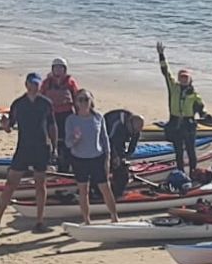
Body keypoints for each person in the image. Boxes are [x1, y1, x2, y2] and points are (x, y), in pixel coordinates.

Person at [0, 72, 58, 233]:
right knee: (10, 185)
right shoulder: (18, 104)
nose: (34, 87)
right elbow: (9, 127)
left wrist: (54, 147)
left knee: (40, 186)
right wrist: (5, 125)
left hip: (41, 148)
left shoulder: (46, 103)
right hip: (23, 149)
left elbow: (52, 126)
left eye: (36, 84)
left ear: (40, 85)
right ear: (26, 85)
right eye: (31, 84)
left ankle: (39, 221)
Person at [60, 91, 120, 225]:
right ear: (76, 103)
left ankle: (114, 217)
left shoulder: (98, 117)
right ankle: (87, 221)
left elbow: (105, 139)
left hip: (97, 158)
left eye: (86, 99)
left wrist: (108, 158)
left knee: (105, 188)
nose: (83, 102)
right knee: (83, 190)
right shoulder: (71, 119)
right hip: (79, 159)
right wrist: (75, 139)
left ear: (91, 101)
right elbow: (68, 144)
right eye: (80, 100)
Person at [156, 42, 206, 172]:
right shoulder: (173, 87)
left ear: (190, 80)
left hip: (188, 125)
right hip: (175, 123)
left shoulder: (195, 95)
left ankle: (194, 172)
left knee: (190, 150)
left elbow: (201, 109)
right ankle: (180, 173)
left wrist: (205, 115)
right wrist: (161, 55)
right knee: (178, 151)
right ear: (179, 78)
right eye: (182, 77)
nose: (183, 80)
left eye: (186, 78)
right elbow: (165, 72)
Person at [40, 57, 80, 165]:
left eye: (60, 68)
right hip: (51, 115)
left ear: (64, 69)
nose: (58, 70)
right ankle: (52, 159)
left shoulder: (70, 82)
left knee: (67, 140)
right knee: (52, 139)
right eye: (56, 68)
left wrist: (78, 116)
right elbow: (40, 99)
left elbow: (77, 98)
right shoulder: (47, 83)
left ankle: (67, 161)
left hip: (66, 115)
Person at [104, 107, 146, 198]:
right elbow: (110, 143)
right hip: (106, 139)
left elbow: (132, 145)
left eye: (136, 132)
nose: (133, 133)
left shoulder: (136, 128)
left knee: (122, 168)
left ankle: (117, 191)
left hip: (118, 139)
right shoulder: (117, 125)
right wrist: (115, 157)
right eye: (132, 131)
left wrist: (126, 156)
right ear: (128, 123)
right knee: (114, 163)